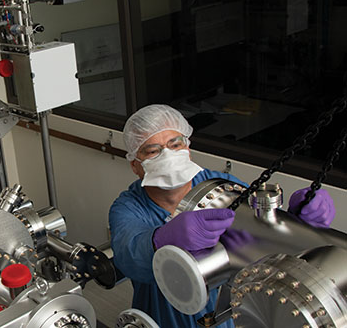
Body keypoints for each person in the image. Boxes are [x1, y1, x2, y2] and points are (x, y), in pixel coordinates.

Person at [108, 104, 336, 327]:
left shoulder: (221, 185)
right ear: (135, 165)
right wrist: (160, 241)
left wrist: (297, 222)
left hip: (225, 314)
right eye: (153, 150)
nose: (167, 155)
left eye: (175, 144)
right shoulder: (128, 207)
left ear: (187, 149)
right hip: (162, 317)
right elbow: (128, 258)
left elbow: (260, 234)